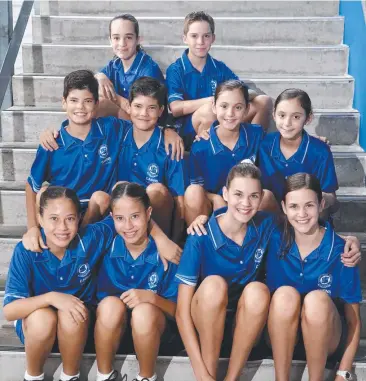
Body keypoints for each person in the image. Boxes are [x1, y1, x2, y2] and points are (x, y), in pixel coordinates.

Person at [176, 163, 276, 381]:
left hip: (245, 324)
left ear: (261, 199)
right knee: (214, 285)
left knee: (258, 290)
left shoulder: (266, 224)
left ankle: (232, 378)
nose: (245, 203)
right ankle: (209, 375)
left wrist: (347, 240)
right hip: (206, 319)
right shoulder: (200, 234)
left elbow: (306, 226)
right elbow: (181, 313)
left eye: (253, 196)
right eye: (238, 194)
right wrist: (201, 373)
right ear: (225, 194)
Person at [266, 173, 361, 381]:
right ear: (283, 207)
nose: (301, 214)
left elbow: (354, 321)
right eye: (294, 206)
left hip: (326, 339)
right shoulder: (274, 239)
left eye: (309, 205)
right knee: (284, 295)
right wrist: (201, 218)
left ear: (321, 204)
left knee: (316, 300)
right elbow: (235, 218)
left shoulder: (342, 251)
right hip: (284, 336)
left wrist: (344, 372)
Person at [95, 182, 179, 381]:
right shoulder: (106, 245)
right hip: (113, 333)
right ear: (111, 218)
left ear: (148, 214)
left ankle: (147, 377)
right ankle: (105, 375)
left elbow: (179, 313)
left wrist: (151, 298)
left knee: (143, 311)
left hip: (155, 333)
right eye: (120, 219)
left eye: (135, 216)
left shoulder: (166, 254)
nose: (128, 226)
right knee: (109, 305)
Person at [166, 11, 272, 148]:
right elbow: (175, 108)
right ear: (185, 38)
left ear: (213, 38)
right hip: (188, 129)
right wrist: (213, 101)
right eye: (194, 36)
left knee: (264, 101)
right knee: (208, 111)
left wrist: (238, 99)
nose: (200, 42)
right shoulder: (176, 69)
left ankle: (251, 151)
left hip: (220, 120)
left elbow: (242, 90)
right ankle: (206, 153)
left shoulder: (219, 67)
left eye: (206, 36)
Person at [184, 79, 265, 225]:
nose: (230, 113)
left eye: (238, 107)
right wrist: (215, 198)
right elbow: (198, 189)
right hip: (214, 208)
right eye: (224, 106)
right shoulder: (200, 147)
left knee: (267, 196)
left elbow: (285, 140)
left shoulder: (257, 135)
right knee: (193, 192)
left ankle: (260, 242)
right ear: (214, 107)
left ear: (247, 109)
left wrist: (319, 138)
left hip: (246, 204)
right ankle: (197, 241)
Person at [116, 77, 185, 242]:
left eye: (151, 108)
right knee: (120, 188)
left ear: (161, 111)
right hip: (124, 219)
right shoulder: (118, 132)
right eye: (138, 106)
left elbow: (180, 202)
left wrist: (174, 241)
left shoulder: (171, 146)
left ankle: (157, 245)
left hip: (157, 220)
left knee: (155, 190)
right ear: (129, 107)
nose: (143, 114)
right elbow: (98, 104)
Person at [258, 88, 339, 216]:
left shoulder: (320, 151)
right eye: (282, 115)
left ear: (308, 118)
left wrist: (313, 199)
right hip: (273, 217)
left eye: (296, 116)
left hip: (305, 216)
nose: (287, 123)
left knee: (316, 200)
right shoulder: (263, 144)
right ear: (274, 114)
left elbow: (331, 196)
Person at [95, 14, 165, 120]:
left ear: (138, 39)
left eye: (128, 37)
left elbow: (144, 111)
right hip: (124, 120)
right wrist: (99, 76)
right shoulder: (114, 65)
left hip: (145, 122)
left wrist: (115, 98)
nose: (122, 43)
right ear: (110, 40)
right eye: (116, 38)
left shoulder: (149, 69)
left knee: (101, 104)